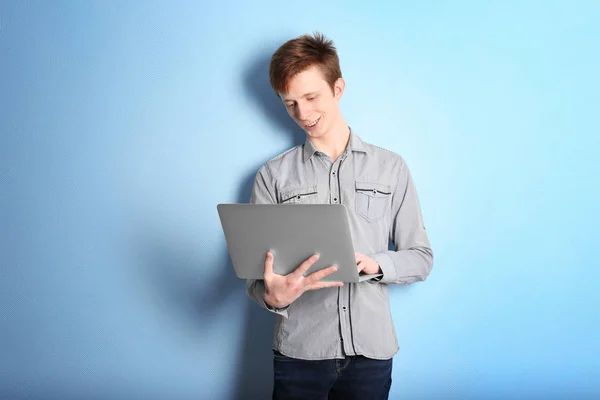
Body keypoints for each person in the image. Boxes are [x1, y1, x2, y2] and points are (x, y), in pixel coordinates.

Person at [246, 32, 434, 400]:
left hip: (371, 354)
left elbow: (421, 258)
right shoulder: (272, 176)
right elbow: (257, 280)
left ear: (338, 88)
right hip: (299, 354)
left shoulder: (391, 168)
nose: (303, 114)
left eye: (311, 97)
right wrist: (274, 296)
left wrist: (375, 264)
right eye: (290, 104)